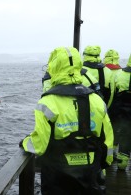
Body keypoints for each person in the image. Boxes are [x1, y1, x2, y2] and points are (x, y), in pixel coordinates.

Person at [20, 47, 114, 195]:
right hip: (90, 175)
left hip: (57, 178)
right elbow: (108, 138)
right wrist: (104, 163)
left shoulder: (47, 103)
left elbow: (39, 145)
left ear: (53, 67)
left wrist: (25, 142)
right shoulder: (97, 100)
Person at [109, 54, 131, 170]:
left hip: (120, 112)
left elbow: (113, 94)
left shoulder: (120, 74)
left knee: (117, 133)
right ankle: (122, 163)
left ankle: (113, 158)